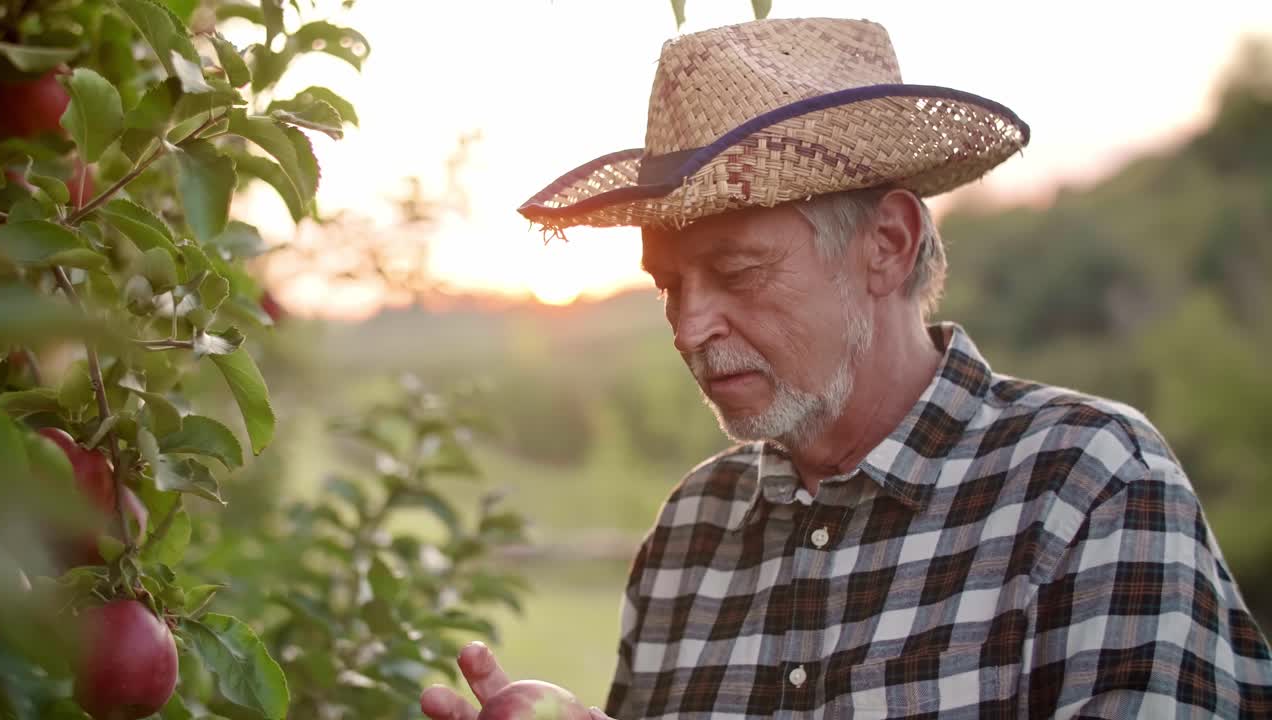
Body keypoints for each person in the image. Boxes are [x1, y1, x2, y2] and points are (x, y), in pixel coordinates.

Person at [421, 16, 1272, 719]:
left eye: (737, 272)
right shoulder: (690, 532)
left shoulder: (1087, 484)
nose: (688, 325)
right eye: (668, 285)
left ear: (888, 246)